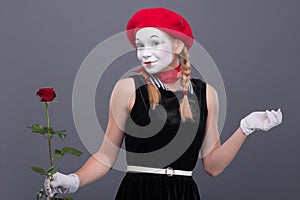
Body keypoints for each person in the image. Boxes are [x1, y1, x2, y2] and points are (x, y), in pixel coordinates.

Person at [44, 7, 283, 200]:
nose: (144, 52)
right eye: (140, 45)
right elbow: (106, 157)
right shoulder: (128, 89)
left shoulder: (205, 93)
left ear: (178, 45)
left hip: (184, 194)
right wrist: (74, 180)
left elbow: (213, 166)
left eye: (154, 43)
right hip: (138, 193)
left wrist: (246, 128)